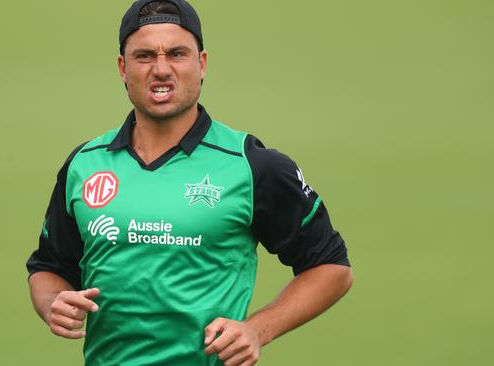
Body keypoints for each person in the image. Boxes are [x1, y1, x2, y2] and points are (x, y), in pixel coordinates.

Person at [25, 1, 353, 365]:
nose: (161, 69)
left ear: (202, 64)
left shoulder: (252, 165)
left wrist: (258, 329)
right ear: (123, 67)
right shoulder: (85, 165)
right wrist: (53, 303)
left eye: (177, 54)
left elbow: (332, 268)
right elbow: (49, 268)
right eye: (145, 55)